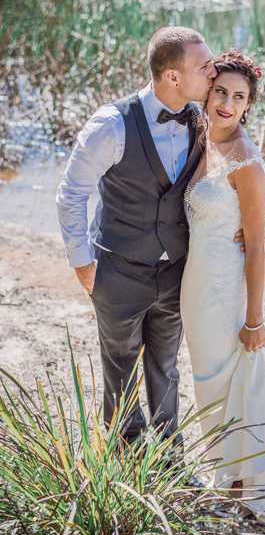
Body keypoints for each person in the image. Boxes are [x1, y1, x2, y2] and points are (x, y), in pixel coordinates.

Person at [56, 26, 243, 450]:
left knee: (165, 363)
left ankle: (167, 447)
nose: (213, 72)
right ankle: (125, 447)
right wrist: (83, 264)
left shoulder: (201, 120)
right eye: (203, 66)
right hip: (118, 271)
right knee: (120, 364)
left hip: (176, 271)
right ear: (173, 77)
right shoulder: (111, 125)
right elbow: (71, 193)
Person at [180, 50, 265, 527]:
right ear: (207, 94)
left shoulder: (247, 162)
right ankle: (226, 477)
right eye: (221, 93)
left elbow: (257, 247)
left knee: (235, 379)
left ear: (249, 105)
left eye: (239, 97)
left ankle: (249, 484)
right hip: (195, 287)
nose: (227, 103)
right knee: (207, 383)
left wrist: (255, 318)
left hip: (226, 290)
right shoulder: (199, 135)